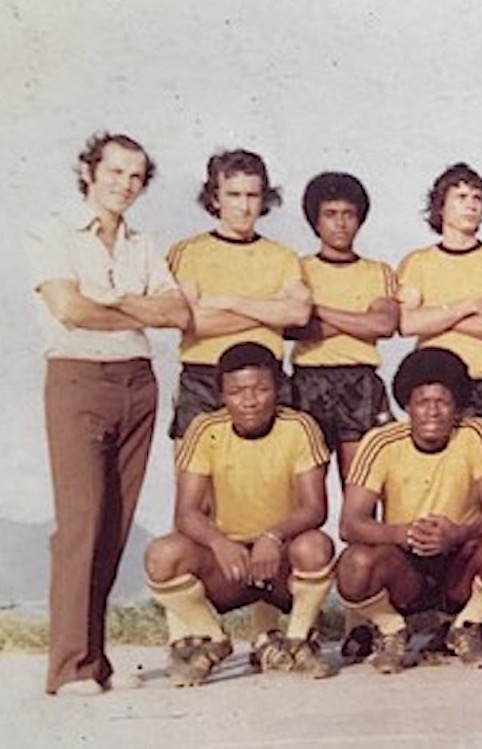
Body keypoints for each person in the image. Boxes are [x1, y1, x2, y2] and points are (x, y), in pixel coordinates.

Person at [32, 132, 189, 696]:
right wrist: (132, 308)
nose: (125, 184)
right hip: (77, 379)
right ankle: (69, 665)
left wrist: (112, 302)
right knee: (82, 522)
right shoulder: (55, 232)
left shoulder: (143, 244)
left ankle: (94, 661)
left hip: (137, 384)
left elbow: (174, 311)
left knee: (114, 527)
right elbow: (69, 309)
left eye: (136, 176)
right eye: (115, 172)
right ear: (88, 170)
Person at [143, 343, 336, 686]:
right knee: (163, 554)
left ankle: (297, 641)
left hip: (279, 561)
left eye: (261, 390)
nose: (249, 401)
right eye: (236, 392)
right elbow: (186, 512)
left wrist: (272, 536)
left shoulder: (299, 427)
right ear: (222, 394)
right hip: (231, 564)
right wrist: (219, 543)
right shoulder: (205, 429)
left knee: (316, 546)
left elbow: (315, 507)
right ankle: (213, 639)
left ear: (277, 389)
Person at [336, 348, 482, 673]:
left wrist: (458, 533)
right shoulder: (381, 442)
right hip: (405, 565)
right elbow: (350, 523)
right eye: (423, 402)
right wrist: (401, 532)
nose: (433, 412)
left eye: (443, 402)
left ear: (457, 408)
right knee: (354, 564)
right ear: (407, 406)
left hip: (458, 560)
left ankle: (464, 627)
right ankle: (392, 629)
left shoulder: (475, 434)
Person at [166, 149, 309, 440]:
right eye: (233, 195)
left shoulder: (283, 256)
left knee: (270, 483)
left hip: (267, 381)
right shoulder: (188, 252)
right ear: (215, 198)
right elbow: (195, 322)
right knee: (196, 482)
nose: (244, 207)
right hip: (203, 380)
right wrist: (270, 314)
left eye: (252, 196)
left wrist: (230, 302)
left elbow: (299, 314)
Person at [397, 162, 482, 447]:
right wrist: (465, 307)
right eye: (461, 198)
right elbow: (406, 323)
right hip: (435, 386)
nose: (471, 206)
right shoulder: (418, 262)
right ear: (440, 207)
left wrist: (437, 317)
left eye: (477, 198)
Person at [287, 171, 398, 483]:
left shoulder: (379, 271)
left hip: (360, 382)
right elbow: (293, 326)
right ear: (315, 221)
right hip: (308, 382)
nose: (340, 223)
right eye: (330, 215)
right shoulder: (298, 267)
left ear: (360, 219)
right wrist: (358, 320)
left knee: (361, 488)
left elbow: (384, 323)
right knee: (304, 492)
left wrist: (318, 311)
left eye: (348, 214)